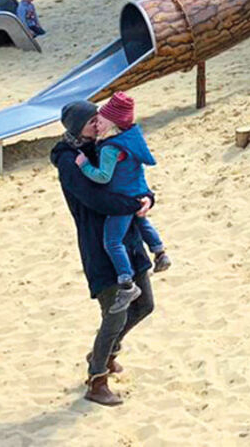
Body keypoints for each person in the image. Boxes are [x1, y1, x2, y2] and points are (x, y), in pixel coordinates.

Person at [52, 100, 158, 407]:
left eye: (98, 120)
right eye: (90, 123)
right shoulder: (69, 161)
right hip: (100, 245)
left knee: (145, 305)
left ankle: (105, 351)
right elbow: (96, 199)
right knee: (114, 313)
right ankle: (97, 379)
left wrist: (147, 198)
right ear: (76, 128)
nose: (97, 125)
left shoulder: (106, 145)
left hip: (129, 237)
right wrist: (133, 205)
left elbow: (131, 177)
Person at [75, 92, 171, 314]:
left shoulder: (110, 148)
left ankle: (127, 284)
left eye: (100, 121)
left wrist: (83, 165)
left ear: (112, 123)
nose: (97, 124)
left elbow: (103, 177)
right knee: (142, 223)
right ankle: (160, 252)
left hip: (122, 201)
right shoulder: (131, 137)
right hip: (137, 194)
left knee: (112, 242)